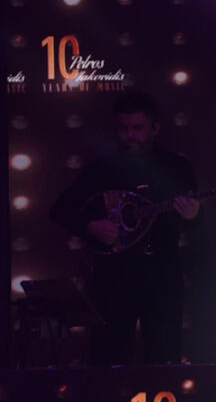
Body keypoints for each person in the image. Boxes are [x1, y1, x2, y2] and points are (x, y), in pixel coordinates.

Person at [49, 91, 201, 365]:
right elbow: (60, 209)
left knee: (164, 359)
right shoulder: (103, 168)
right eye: (123, 128)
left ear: (155, 128)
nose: (129, 135)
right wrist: (91, 226)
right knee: (110, 359)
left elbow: (197, 224)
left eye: (137, 128)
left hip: (163, 276)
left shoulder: (177, 167)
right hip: (114, 278)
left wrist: (193, 215)